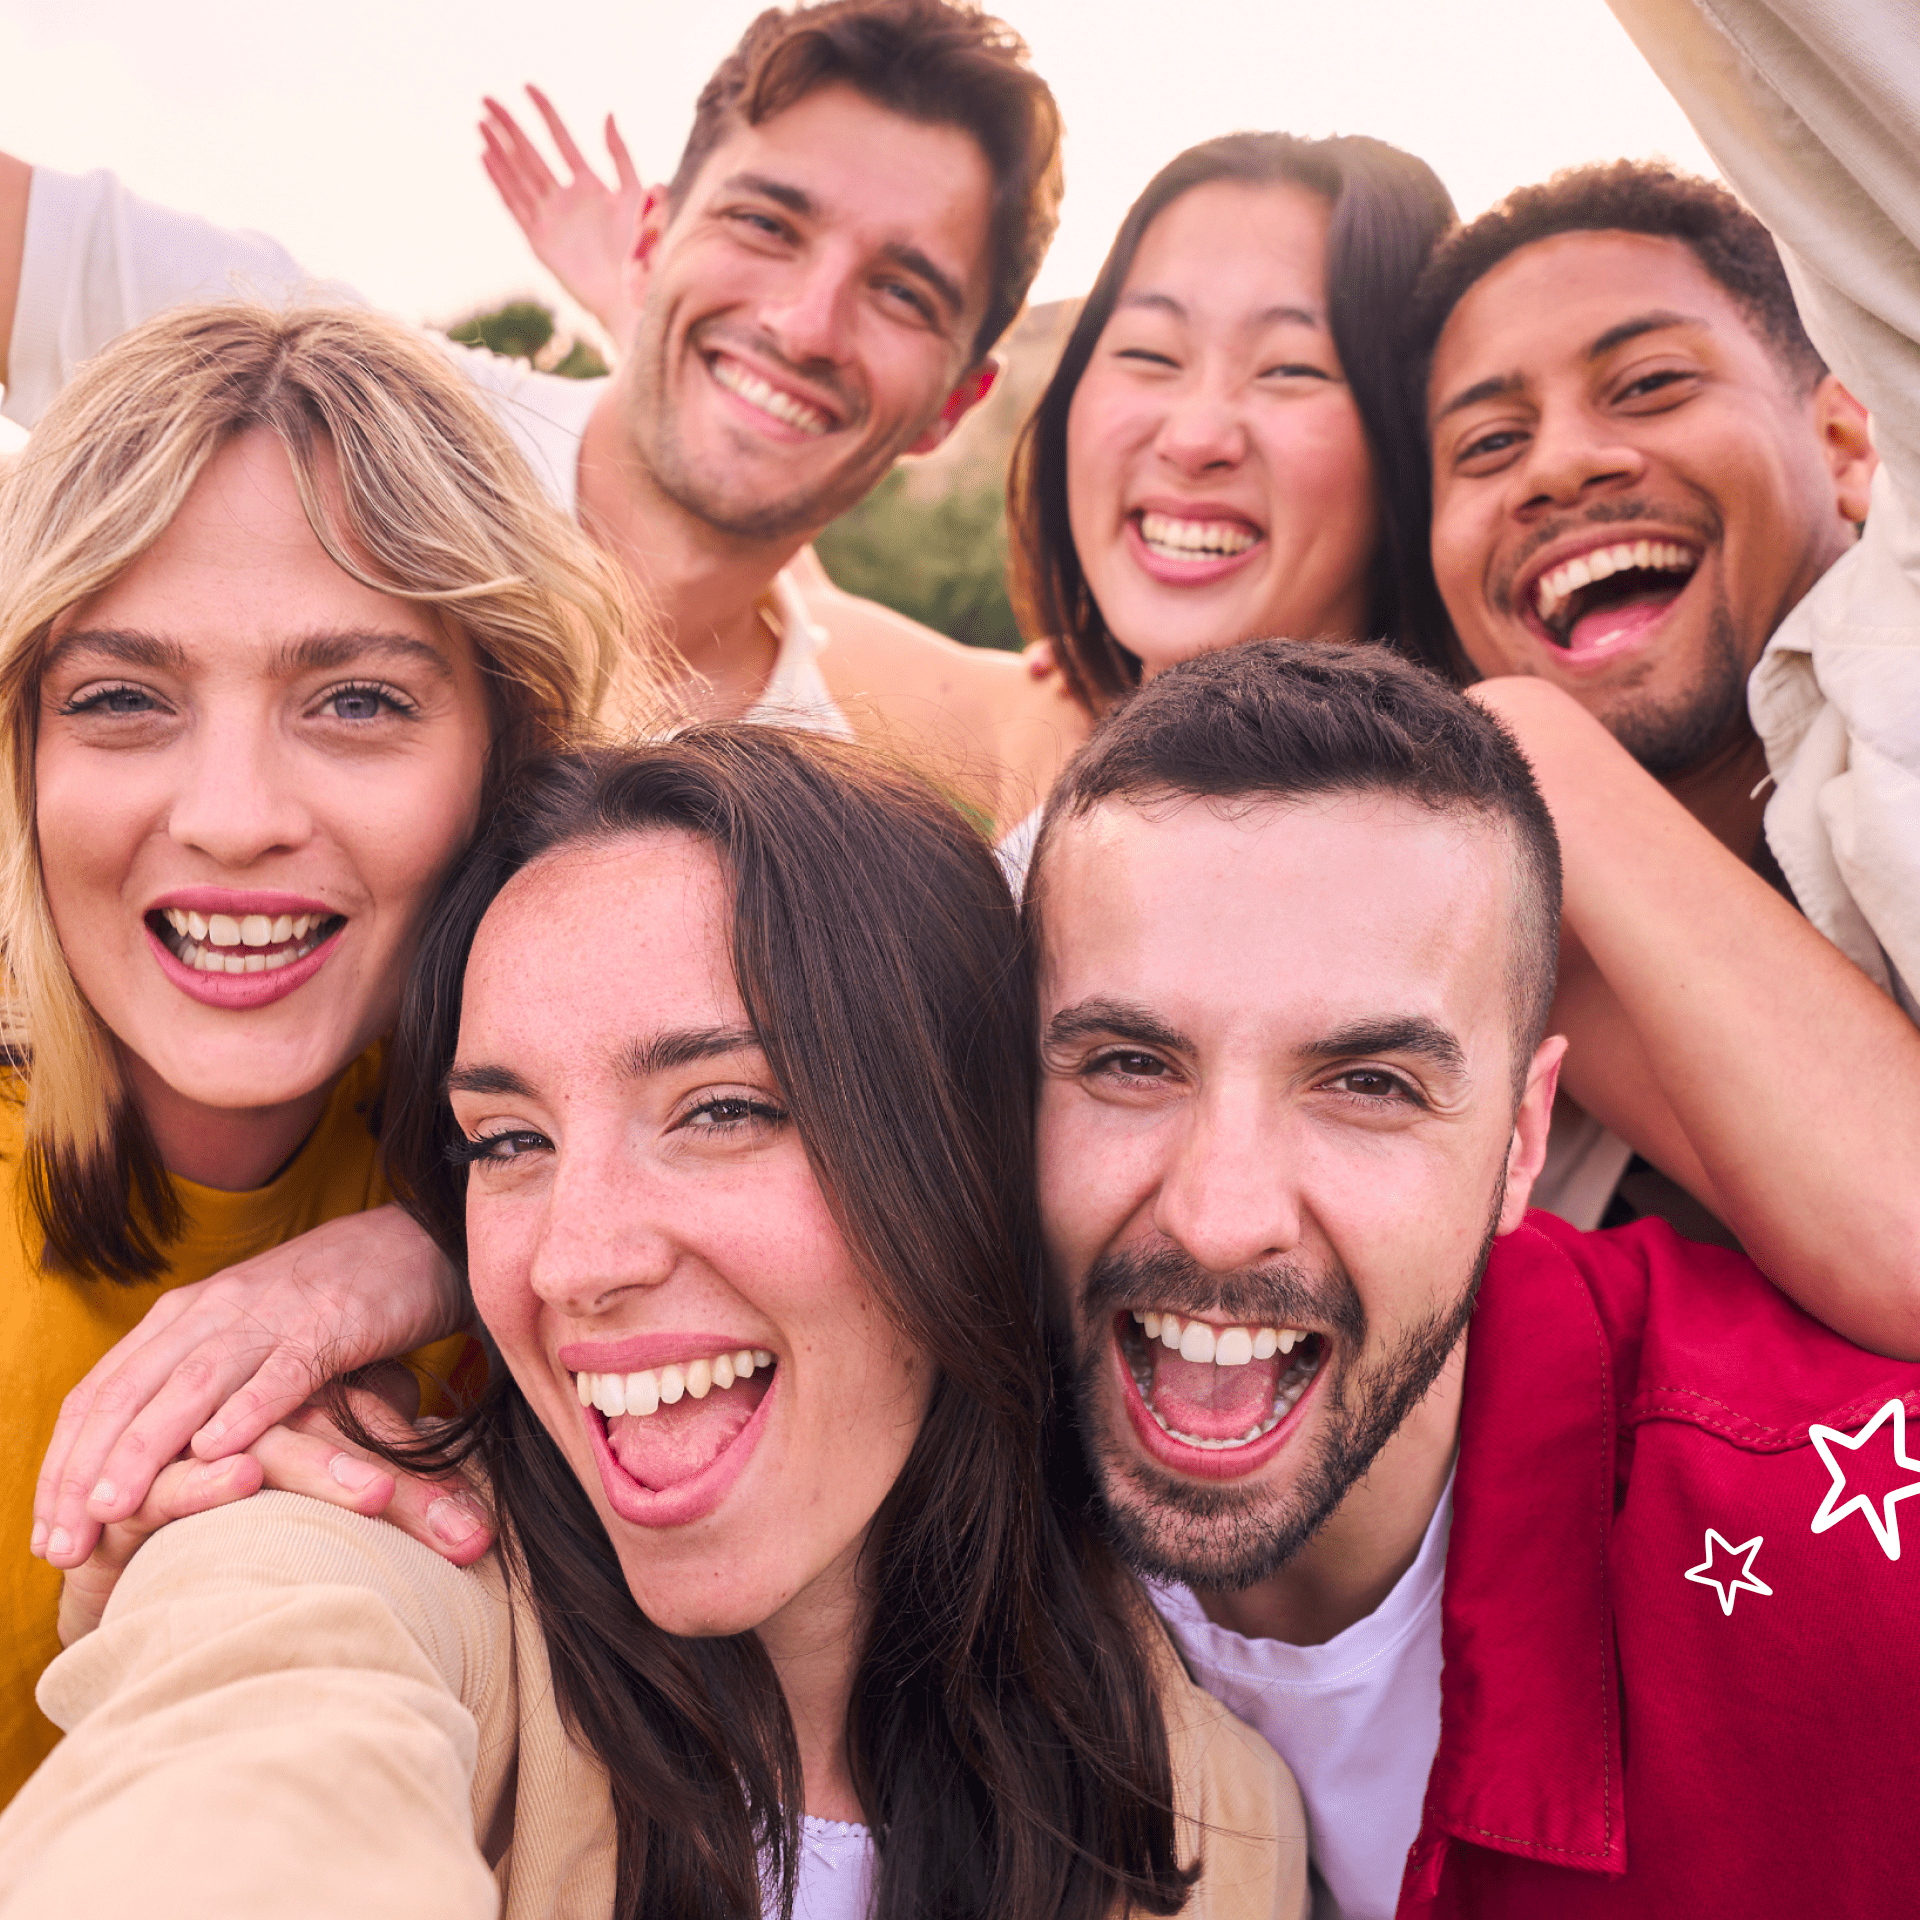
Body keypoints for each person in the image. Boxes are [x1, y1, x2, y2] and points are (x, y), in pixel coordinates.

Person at [0, 726, 1309, 1920]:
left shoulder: (1218, 1817)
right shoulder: (345, 1577)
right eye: (507, 1141)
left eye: (725, 1110)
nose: (576, 1259)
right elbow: (241, 1763)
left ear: (974, 1156)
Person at [1026, 638, 1920, 1917]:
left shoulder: (1860, 1599)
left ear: (1521, 1140)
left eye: (1368, 1086)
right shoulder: (880, 1511)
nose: (1221, 1220)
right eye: (1128, 1063)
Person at [0, 295, 650, 1804]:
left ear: (509, 752)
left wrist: (422, 1247)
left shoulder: (601, 1158)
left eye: (355, 700)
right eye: (119, 699)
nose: (234, 813)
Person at [0, 0, 1081, 835]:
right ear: (649, 243)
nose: (806, 324)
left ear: (954, 406)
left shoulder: (817, 815)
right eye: (764, 224)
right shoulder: (335, 389)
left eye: (902, 292)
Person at [994, 130, 1453, 873]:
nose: (1195, 437)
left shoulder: (1446, 855)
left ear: (1411, 435)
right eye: (1148, 353)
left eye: (1291, 368)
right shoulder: (1035, 735)